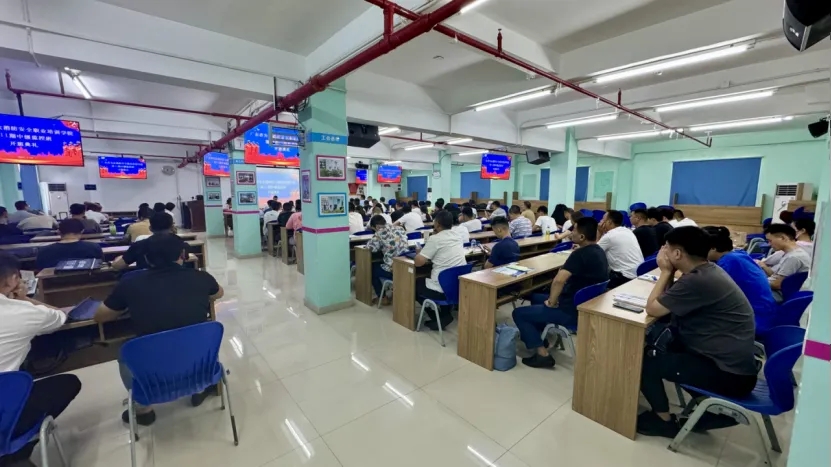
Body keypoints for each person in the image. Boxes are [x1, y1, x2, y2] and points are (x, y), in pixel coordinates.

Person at [637, 227, 757, 438]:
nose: (662, 251)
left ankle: (663, 421)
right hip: (729, 363)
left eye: (666, 248)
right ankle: (711, 408)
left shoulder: (697, 280)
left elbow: (653, 309)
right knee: (665, 344)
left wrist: (665, 272)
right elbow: (669, 302)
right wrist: (670, 273)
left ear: (677, 254)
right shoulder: (706, 271)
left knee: (645, 362)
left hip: (729, 374)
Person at [95, 234, 224, 425]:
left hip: (154, 365)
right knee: (198, 337)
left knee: (125, 351)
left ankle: (143, 408)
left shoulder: (130, 283)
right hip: (196, 359)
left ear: (146, 258)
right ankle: (201, 386)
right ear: (182, 254)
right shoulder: (201, 277)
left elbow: (100, 316)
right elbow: (219, 293)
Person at [0, 252, 82, 465]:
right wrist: (25, 300)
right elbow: (61, 317)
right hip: (4, 406)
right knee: (68, 383)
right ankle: (16, 449)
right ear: (12, 280)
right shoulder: (21, 312)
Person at [512, 217, 609, 368]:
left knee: (518, 313)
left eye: (574, 230)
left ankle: (542, 354)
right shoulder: (599, 251)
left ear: (582, 237)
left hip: (569, 310)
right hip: (583, 306)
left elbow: (558, 281)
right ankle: (538, 337)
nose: (571, 232)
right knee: (536, 297)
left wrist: (552, 302)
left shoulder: (579, 255)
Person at [703, 226, 777, 334]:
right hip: (764, 313)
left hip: (753, 320)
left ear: (713, 248)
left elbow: (710, 294)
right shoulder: (737, 255)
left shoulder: (728, 262)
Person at [413, 210, 466, 330]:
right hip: (458, 285)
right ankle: (445, 313)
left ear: (437, 224)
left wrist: (419, 253)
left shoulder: (435, 239)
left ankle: (439, 317)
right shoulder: (457, 236)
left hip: (442, 288)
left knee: (414, 285)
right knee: (442, 278)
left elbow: (418, 263)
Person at [756, 223, 812, 301]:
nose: (769, 244)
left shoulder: (794, 257)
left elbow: (777, 284)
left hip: (779, 295)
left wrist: (755, 281)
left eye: (770, 241)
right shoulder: (791, 254)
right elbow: (777, 277)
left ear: (783, 238)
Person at [365, 215, 409, 305]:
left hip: (394, 268)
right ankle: (392, 291)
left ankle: (383, 298)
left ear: (376, 227)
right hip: (406, 264)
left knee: (371, 269)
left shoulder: (379, 232)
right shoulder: (400, 228)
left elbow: (370, 248)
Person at [598, 210, 644, 287]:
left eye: (603, 219)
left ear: (609, 222)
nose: (600, 221)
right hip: (638, 273)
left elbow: (593, 252)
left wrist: (599, 232)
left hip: (624, 278)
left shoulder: (609, 236)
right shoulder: (628, 231)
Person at [36, 219, 104, 269]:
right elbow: (100, 265)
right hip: (89, 281)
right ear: (82, 231)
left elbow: (40, 270)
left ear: (59, 232)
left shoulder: (43, 251)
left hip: (54, 283)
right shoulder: (94, 247)